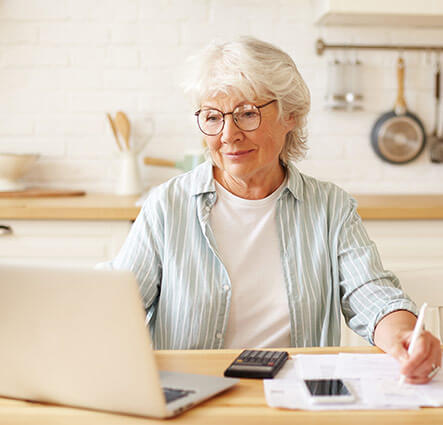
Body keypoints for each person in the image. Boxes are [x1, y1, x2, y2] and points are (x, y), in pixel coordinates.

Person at [102, 37, 441, 384]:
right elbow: (114, 303)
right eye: (212, 117)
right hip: (191, 397)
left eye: (247, 114)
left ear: (290, 114)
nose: (228, 135)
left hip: (295, 396)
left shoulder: (330, 207)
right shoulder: (167, 206)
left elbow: (370, 293)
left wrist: (403, 334)